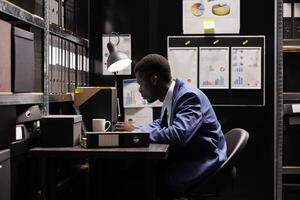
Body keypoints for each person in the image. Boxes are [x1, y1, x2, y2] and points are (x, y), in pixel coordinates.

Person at [115, 54, 227, 198]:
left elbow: (178, 135)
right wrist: (136, 129)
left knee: (145, 180)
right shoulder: (172, 95)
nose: (139, 90)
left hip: (202, 160)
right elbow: (160, 123)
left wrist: (139, 134)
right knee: (138, 174)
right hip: (189, 155)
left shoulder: (188, 96)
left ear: (154, 79)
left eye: (140, 84)